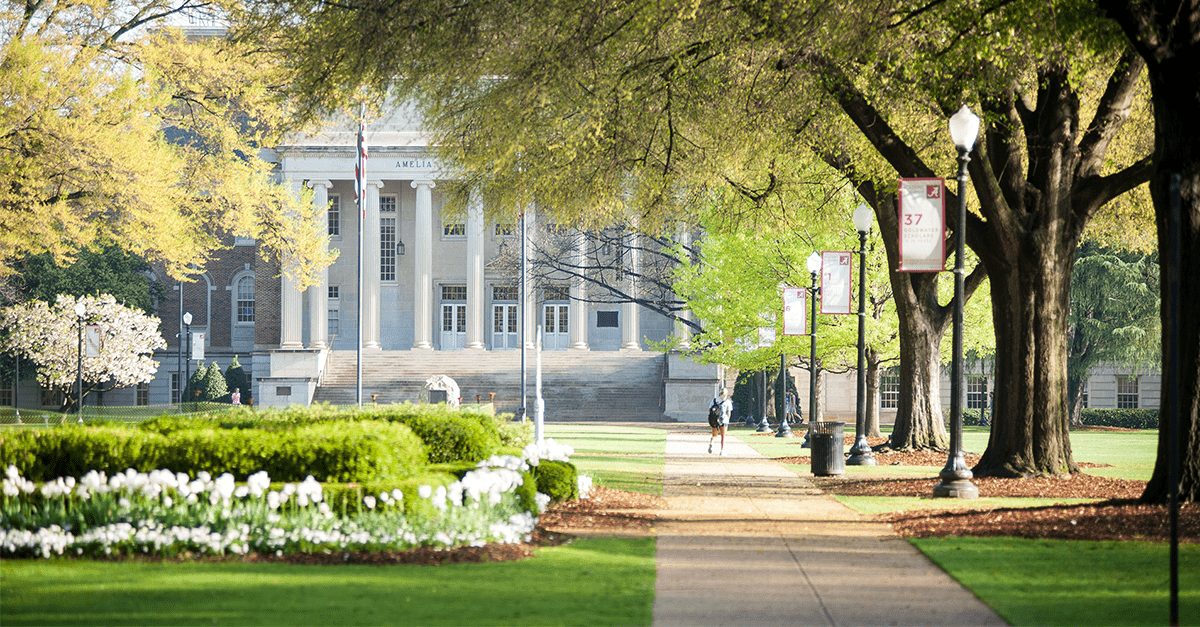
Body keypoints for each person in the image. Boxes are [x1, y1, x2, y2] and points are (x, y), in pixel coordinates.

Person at [708, 388, 733, 456]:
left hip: (715, 420)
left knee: (714, 435)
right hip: (723, 420)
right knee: (723, 436)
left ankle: (712, 443)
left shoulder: (715, 400)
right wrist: (728, 419)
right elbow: (728, 412)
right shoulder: (728, 401)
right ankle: (722, 450)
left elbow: (709, 409)